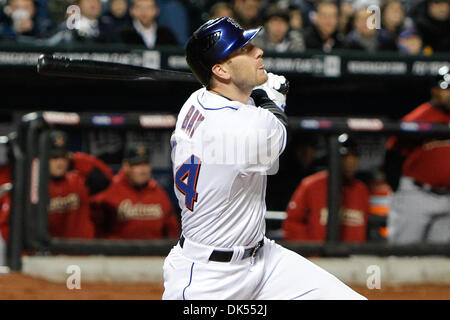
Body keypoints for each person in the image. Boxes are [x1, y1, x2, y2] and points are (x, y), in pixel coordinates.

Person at [162, 17, 366, 300]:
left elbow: (238, 102)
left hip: (264, 260)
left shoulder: (197, 101)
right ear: (220, 70)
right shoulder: (241, 129)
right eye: (244, 49)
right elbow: (276, 128)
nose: (258, 51)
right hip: (209, 279)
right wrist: (273, 97)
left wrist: (253, 91)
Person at [385, 66, 450, 244]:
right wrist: (398, 189)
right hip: (417, 194)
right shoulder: (418, 118)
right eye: (446, 89)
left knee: (441, 263)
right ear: (434, 90)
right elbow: (393, 153)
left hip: (447, 197)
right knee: (402, 254)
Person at [283, 134, 370, 242]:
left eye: (354, 156)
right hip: (318, 257)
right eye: (346, 157)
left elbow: (365, 227)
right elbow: (292, 223)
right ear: (334, 158)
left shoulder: (361, 190)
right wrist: (311, 253)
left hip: (355, 257)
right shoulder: (311, 185)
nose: (350, 162)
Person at [91, 142, 179, 239]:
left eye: (146, 164)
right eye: (137, 165)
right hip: (118, 252)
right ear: (126, 166)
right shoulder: (111, 190)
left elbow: (172, 232)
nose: (143, 170)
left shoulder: (160, 195)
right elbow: (94, 224)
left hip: (153, 253)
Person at [47, 130, 95, 239]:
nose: (60, 163)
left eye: (63, 157)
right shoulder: (34, 187)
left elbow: (106, 179)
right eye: (54, 158)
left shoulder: (78, 181)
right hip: (47, 253)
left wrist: (76, 158)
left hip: (79, 252)